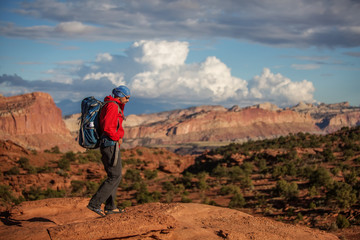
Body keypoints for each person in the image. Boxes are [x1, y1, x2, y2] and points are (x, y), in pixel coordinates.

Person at [87, 85, 130, 217]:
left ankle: (110, 207)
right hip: (110, 144)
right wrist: (118, 138)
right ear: (120, 95)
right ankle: (95, 204)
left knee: (114, 176)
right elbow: (107, 127)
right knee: (115, 176)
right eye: (127, 97)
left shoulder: (113, 105)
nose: (128, 100)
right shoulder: (112, 106)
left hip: (110, 143)